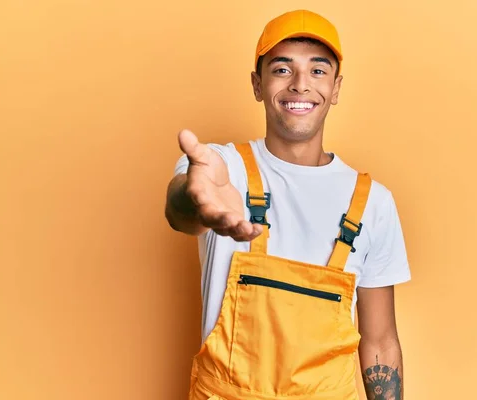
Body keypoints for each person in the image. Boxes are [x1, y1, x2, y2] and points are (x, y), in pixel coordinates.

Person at [165, 9, 411, 400]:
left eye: (317, 70)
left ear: (336, 87)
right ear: (257, 84)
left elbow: (380, 341)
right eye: (282, 69)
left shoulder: (372, 203)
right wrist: (195, 199)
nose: (300, 85)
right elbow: (181, 212)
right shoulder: (219, 167)